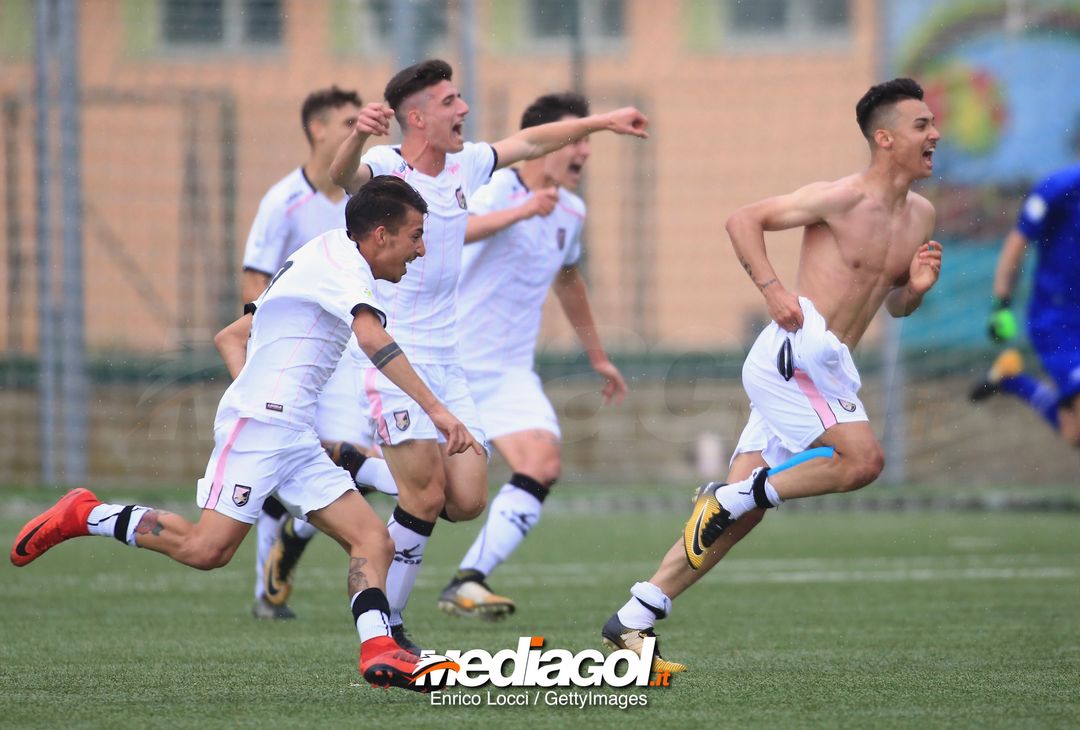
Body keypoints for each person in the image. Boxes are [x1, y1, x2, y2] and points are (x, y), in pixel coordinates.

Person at [11, 177, 479, 692]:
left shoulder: (320, 254)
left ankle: (380, 651)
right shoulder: (345, 267)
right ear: (382, 234)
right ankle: (85, 514)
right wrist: (438, 412)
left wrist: (268, 396)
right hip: (261, 429)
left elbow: (230, 335)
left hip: (291, 432)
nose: (421, 249)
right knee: (205, 550)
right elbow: (371, 337)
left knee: (371, 538)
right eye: (416, 235)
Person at [600, 78, 943, 673]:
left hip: (829, 367)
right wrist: (773, 289)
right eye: (922, 126)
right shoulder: (839, 197)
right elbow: (743, 220)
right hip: (797, 352)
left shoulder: (922, 215)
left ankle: (635, 615)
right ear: (884, 139)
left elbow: (892, 306)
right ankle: (729, 495)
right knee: (863, 462)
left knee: (740, 517)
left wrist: (913, 292)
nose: (935, 134)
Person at [328, 59, 648, 651]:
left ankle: (358, 467)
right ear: (418, 116)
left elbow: (528, 141)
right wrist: (355, 135)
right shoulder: (388, 170)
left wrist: (602, 122)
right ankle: (388, 632)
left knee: (467, 499)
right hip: (393, 356)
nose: (464, 109)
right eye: (451, 101)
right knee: (423, 496)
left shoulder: (469, 165)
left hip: (452, 363)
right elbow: (343, 176)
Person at [436, 92, 627, 620]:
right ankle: (329, 490)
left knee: (542, 462)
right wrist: (522, 212)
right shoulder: (495, 188)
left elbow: (568, 279)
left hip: (509, 374)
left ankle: (467, 581)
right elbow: (450, 233)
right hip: (448, 369)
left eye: (589, 141)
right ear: (543, 144)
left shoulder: (572, 209)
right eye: (576, 139)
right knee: (429, 494)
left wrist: (598, 356)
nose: (584, 152)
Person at [240, 85, 399, 621]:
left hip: (354, 350)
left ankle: (292, 539)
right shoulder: (283, 200)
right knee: (310, 457)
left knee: (346, 457)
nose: (359, 127)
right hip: (300, 356)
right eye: (348, 121)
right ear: (318, 129)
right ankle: (270, 590)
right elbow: (257, 278)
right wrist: (252, 362)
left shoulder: (365, 198)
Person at [968, 164, 1080, 449]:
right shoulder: (1059, 188)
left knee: (1075, 434)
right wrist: (1001, 304)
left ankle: (1012, 379)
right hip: (1058, 321)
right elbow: (1018, 243)